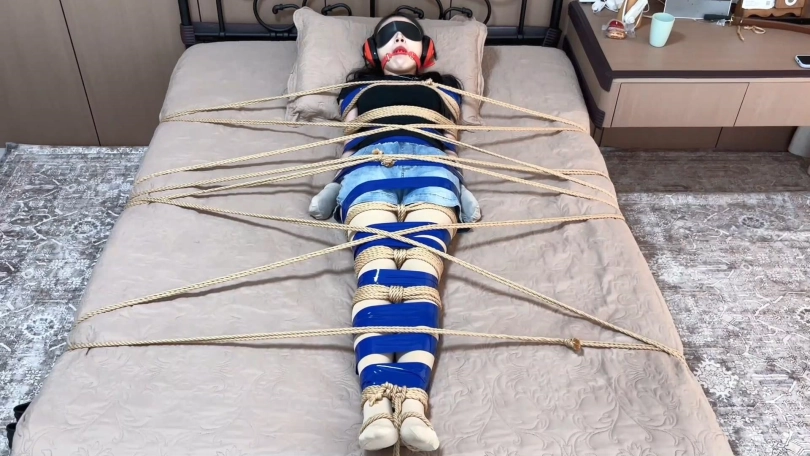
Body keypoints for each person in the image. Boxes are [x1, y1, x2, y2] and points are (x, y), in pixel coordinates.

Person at [308, 13, 481, 452]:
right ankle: (376, 406)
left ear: (426, 49)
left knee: (421, 278)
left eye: (409, 33)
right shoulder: (357, 89)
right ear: (373, 51)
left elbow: (450, 142)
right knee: (377, 273)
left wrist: (461, 186)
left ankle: (413, 404)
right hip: (368, 171)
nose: (399, 38)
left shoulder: (446, 88)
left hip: (433, 172)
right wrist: (334, 185)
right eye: (388, 35)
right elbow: (349, 141)